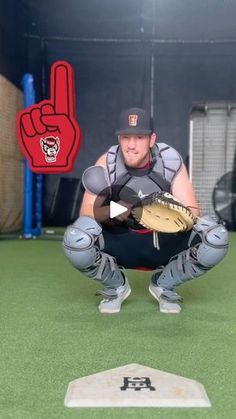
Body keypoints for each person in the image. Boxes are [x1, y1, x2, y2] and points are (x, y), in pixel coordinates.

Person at [63, 107, 228, 314]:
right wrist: (113, 210)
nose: (131, 145)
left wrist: (173, 215)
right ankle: (116, 286)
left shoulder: (169, 160)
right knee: (76, 238)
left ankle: (164, 284)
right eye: (125, 137)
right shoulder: (108, 160)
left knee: (216, 237)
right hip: (120, 242)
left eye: (139, 137)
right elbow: (87, 210)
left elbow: (193, 210)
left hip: (161, 241)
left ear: (152, 139)